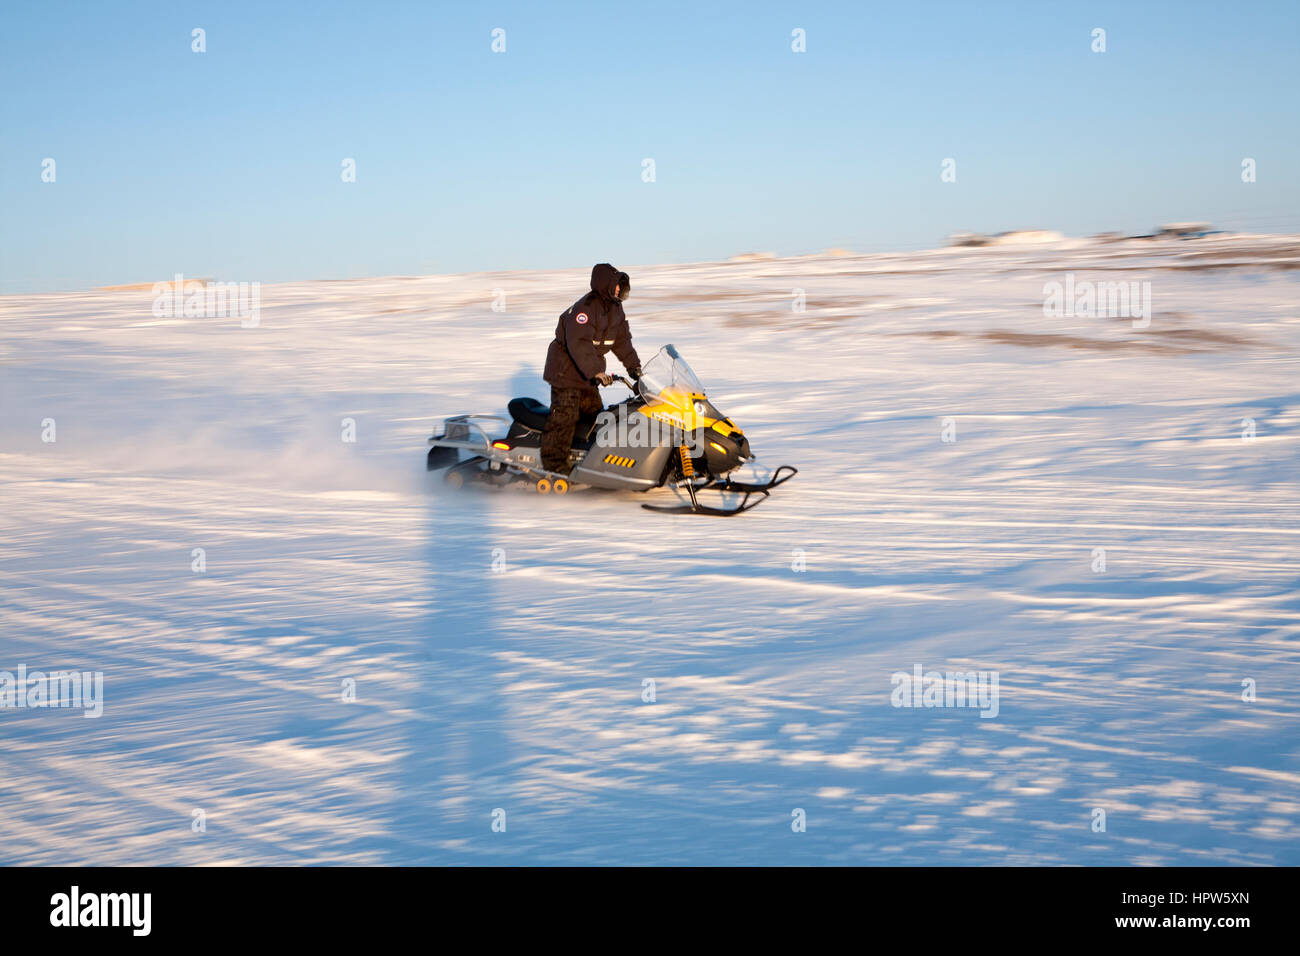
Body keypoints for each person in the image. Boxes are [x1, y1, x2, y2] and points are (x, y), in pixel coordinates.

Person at [540, 263, 641, 474]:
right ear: (606, 286)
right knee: (565, 418)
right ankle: (554, 466)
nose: (621, 292)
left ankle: (589, 461)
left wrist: (635, 368)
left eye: (623, 289)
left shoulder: (616, 309)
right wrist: (596, 371)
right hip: (565, 372)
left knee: (596, 419)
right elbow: (579, 342)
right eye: (617, 288)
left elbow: (623, 341)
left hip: (586, 375)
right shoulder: (585, 308)